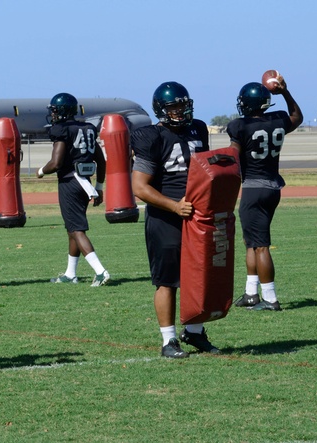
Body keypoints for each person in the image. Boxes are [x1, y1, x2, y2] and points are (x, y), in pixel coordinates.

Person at [131, 81, 218, 358]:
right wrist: (173, 206)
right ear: (161, 109)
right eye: (173, 107)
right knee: (167, 280)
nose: (179, 111)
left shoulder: (199, 128)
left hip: (197, 215)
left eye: (182, 105)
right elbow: (140, 187)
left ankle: (194, 333)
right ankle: (168, 340)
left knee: (200, 277)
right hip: (165, 217)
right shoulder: (150, 136)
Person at [227, 80, 303, 311]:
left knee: (260, 245)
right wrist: (286, 92)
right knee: (251, 242)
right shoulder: (277, 119)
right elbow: (297, 117)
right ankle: (251, 293)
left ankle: (270, 298)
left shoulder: (239, 126)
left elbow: (233, 159)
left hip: (253, 188)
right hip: (273, 187)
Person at [37, 93, 110, 286]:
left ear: (60, 111)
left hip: (70, 182)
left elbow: (56, 162)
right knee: (72, 229)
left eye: (54, 110)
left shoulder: (61, 129)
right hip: (85, 182)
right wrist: (100, 186)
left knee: (77, 229)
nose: (52, 115)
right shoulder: (87, 128)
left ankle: (100, 271)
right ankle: (71, 273)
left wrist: (41, 171)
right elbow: (101, 160)